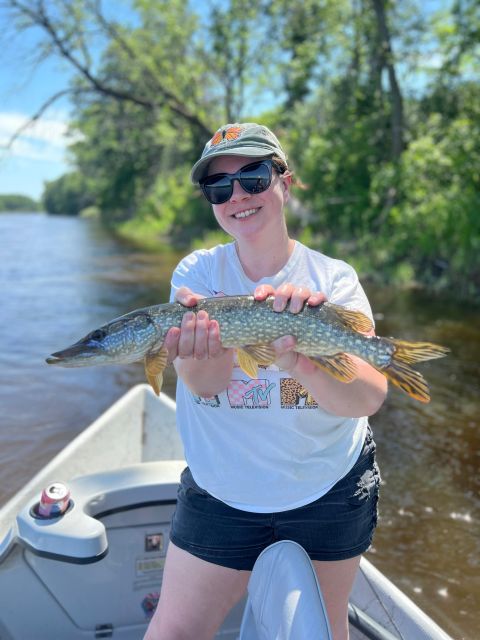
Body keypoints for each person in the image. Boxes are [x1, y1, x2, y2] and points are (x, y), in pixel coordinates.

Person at [144, 123, 387, 640]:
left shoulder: (333, 280)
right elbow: (205, 386)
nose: (237, 196)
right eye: (218, 187)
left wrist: (300, 357)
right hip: (223, 494)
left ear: (284, 182)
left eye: (252, 176)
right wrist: (205, 347)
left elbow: (369, 395)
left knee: (321, 631)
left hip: (326, 490)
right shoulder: (197, 275)